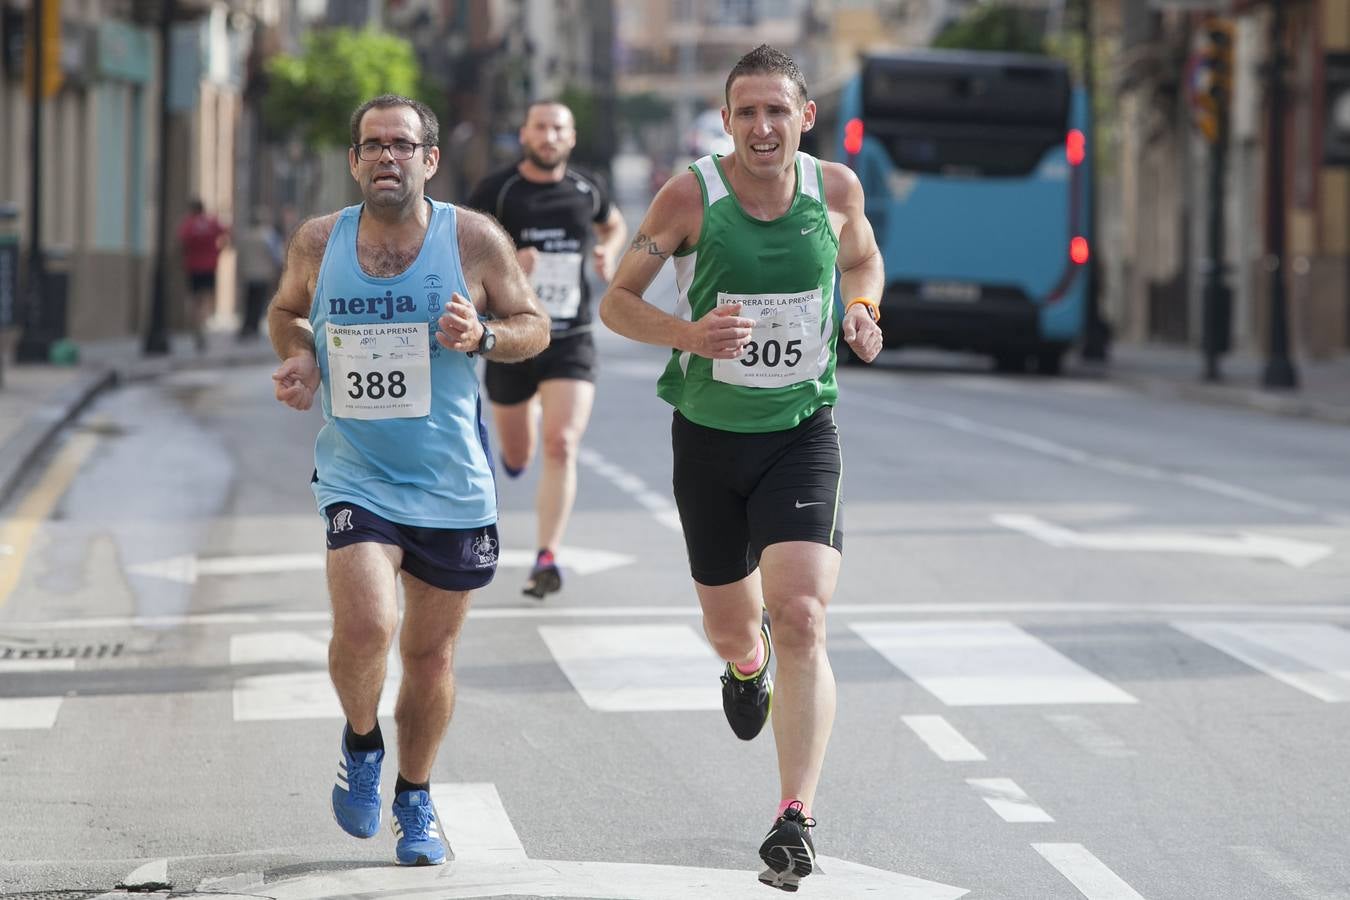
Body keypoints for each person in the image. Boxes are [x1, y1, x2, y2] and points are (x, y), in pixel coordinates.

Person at [598, 45, 883, 892]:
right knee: (737, 626)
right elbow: (619, 300)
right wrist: (688, 334)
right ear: (726, 122)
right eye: (746, 112)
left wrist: (863, 312)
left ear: (805, 117)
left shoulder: (836, 191)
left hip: (803, 429)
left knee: (800, 614)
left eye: (777, 110)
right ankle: (742, 665)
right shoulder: (691, 196)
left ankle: (794, 817)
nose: (763, 126)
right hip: (709, 438)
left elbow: (863, 261)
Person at [268, 94, 549, 867]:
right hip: (356, 473)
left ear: (429, 159)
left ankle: (415, 795)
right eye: (371, 145)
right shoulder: (320, 241)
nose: (385, 156)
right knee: (366, 626)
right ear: (355, 161)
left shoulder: (475, 239)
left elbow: (535, 327)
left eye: (401, 144)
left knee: (430, 660)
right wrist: (301, 355)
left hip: (451, 483)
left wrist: (483, 333)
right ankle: (363, 743)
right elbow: (288, 311)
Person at [466, 100, 627, 599]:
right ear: (525, 134)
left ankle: (547, 555)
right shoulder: (498, 190)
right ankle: (519, 444)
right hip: (512, 337)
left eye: (559, 128)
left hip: (570, 338)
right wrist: (509, 263)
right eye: (540, 127)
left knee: (562, 445)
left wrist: (608, 249)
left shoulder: (586, 188)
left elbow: (613, 222)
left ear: (571, 137)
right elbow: (462, 252)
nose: (550, 135)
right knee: (518, 452)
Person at [177, 198, 230, 352]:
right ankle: (202, 324)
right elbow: (227, 233)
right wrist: (218, 251)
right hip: (209, 266)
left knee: (194, 299)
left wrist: (184, 256)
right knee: (206, 298)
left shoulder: (188, 224)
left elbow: (181, 241)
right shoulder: (211, 222)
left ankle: (196, 326)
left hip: (192, 266)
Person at [235, 208, 283, 341]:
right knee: (259, 302)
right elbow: (276, 256)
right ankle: (254, 327)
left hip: (249, 274)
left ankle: (246, 326)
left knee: (248, 301)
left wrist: (241, 271)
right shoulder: (268, 236)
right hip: (263, 274)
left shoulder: (245, 236)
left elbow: (240, 256)